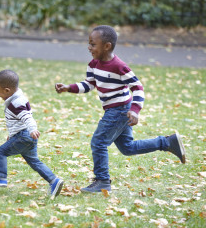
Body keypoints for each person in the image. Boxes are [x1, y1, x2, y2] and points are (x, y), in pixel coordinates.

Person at [55, 25, 185, 193]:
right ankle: (168, 142)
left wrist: (135, 110)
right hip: (114, 109)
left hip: (120, 109)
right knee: (127, 148)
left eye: (93, 44)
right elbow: (89, 84)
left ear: (107, 46)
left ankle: (102, 180)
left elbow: (138, 87)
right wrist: (68, 87)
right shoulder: (93, 64)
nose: (89, 47)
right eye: (89, 43)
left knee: (98, 142)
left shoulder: (119, 66)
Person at [0, 69, 64, 198]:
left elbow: (27, 117)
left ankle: (1, 178)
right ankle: (54, 181)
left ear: (7, 91)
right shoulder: (18, 98)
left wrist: (33, 129)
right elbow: (18, 121)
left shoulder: (15, 103)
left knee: (1, 152)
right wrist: (11, 136)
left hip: (24, 136)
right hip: (25, 136)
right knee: (34, 161)